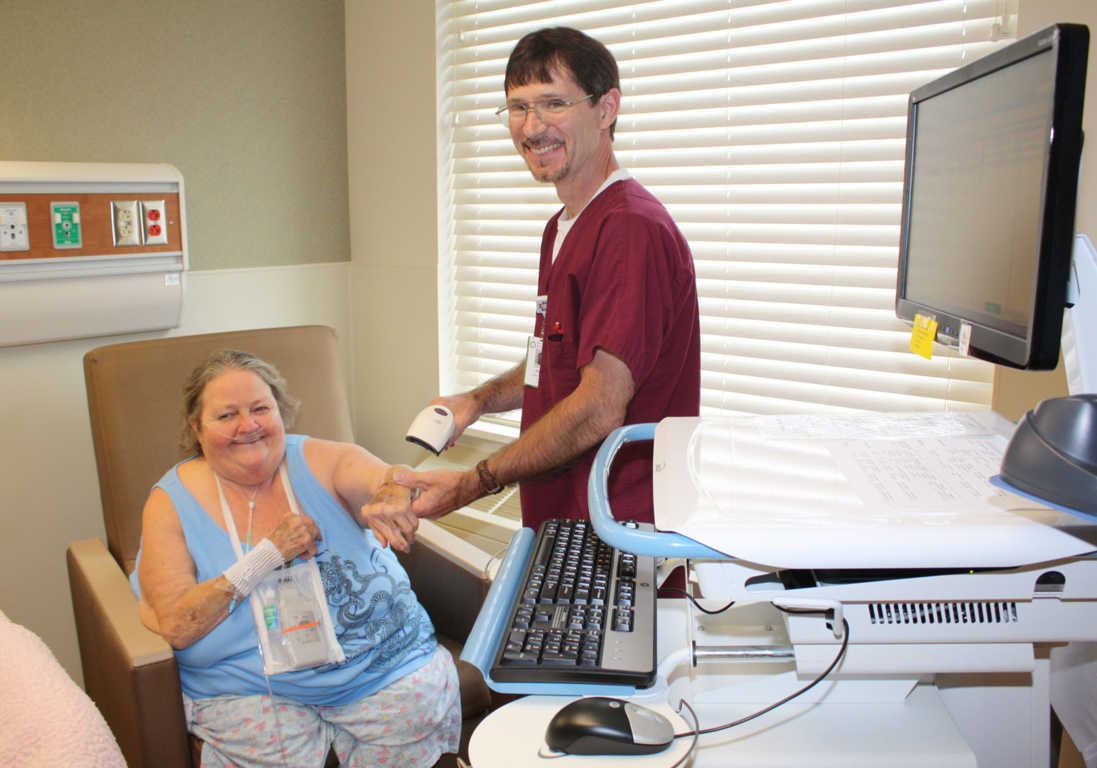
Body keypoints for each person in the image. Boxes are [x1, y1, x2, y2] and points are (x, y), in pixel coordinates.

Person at [366, 27, 700, 552]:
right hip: (566, 514)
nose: (532, 127)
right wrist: (476, 401)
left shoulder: (631, 230)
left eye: (553, 104)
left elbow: (599, 404)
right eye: (518, 108)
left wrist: (473, 482)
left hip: (621, 524)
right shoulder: (564, 227)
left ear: (606, 108)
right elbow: (558, 359)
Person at [131, 349, 460, 768]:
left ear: (281, 413)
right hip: (251, 693)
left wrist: (394, 489)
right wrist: (268, 554)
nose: (248, 426)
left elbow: (378, 475)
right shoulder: (169, 502)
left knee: (410, 712)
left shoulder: (319, 459)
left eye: (260, 408)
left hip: (382, 670)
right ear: (196, 427)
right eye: (226, 415)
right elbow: (178, 625)